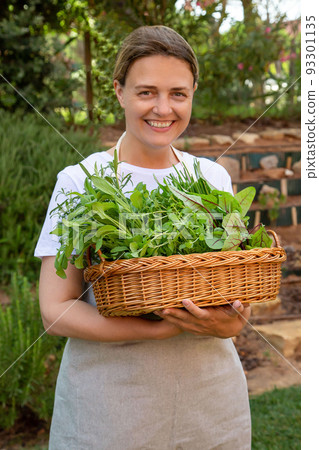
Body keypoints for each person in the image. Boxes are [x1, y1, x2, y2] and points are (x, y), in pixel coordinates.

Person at [35, 25, 251, 449]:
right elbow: (55, 311)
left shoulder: (213, 177)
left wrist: (233, 323)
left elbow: (235, 294)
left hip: (210, 398)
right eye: (146, 92)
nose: (163, 109)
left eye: (178, 93)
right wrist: (157, 331)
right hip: (112, 405)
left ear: (192, 95)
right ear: (119, 92)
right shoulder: (82, 182)